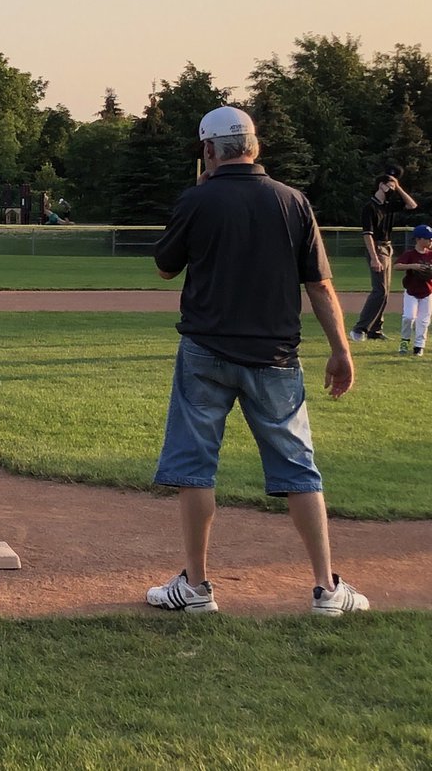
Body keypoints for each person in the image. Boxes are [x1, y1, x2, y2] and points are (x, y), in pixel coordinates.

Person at [148, 106, 368, 616]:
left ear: (209, 150)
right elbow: (319, 283)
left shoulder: (197, 200)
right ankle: (326, 589)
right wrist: (341, 349)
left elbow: (164, 268)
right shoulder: (293, 201)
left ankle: (197, 589)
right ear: (255, 146)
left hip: (205, 351)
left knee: (195, 467)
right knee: (298, 469)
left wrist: (200, 196)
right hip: (276, 358)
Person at [350, 167, 417, 341]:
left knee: (385, 291)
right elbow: (367, 235)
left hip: (387, 248)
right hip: (377, 249)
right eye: (389, 185)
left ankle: (375, 330)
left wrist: (399, 187)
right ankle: (360, 329)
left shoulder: (387, 206)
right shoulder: (370, 207)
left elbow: (412, 205)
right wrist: (374, 257)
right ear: (381, 185)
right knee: (379, 291)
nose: (392, 189)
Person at [393, 223, 432, 356]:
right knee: (408, 317)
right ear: (418, 239)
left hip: (427, 292)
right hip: (411, 291)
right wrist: (413, 266)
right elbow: (397, 266)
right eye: (428, 238)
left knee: (423, 321)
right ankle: (404, 342)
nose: (430, 240)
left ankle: (419, 346)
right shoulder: (410, 254)